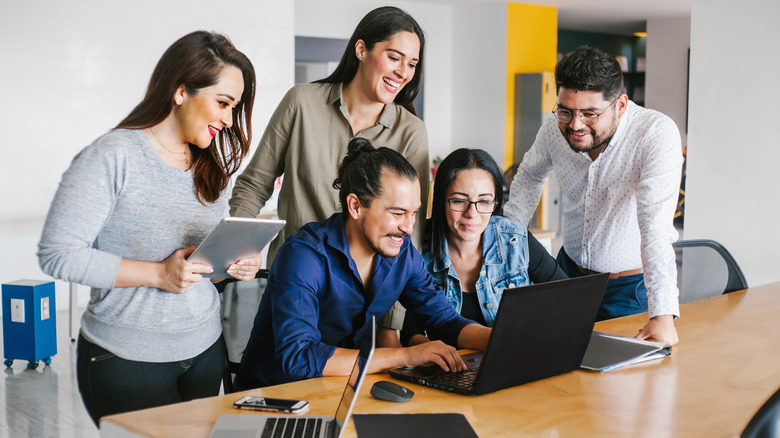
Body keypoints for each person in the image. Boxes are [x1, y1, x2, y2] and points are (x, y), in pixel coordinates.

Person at [37, 31, 260, 425]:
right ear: (180, 92)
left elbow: (202, 267)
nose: (228, 120)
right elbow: (59, 255)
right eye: (222, 103)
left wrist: (236, 263)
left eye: (234, 107)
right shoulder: (112, 156)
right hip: (125, 359)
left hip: (205, 350)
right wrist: (158, 274)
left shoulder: (210, 167)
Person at [228, 6, 430, 344]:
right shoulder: (302, 102)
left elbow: (409, 232)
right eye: (395, 57)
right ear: (361, 49)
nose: (403, 72)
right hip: (296, 285)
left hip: (366, 301)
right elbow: (254, 184)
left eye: (412, 64)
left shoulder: (411, 132)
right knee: (287, 381)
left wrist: (392, 324)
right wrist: (239, 246)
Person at [234, 138, 491, 390]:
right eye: (398, 213)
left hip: (342, 390)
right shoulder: (303, 255)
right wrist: (407, 356)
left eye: (414, 213)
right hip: (271, 397)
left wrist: (503, 340)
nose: (408, 227)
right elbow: (299, 358)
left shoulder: (402, 255)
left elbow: (444, 320)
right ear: (356, 206)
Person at [503, 46, 683, 345]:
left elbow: (655, 226)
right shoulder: (554, 128)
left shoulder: (654, 134)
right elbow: (530, 176)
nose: (575, 124)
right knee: (551, 367)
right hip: (567, 275)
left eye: (589, 114)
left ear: (621, 105)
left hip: (628, 288)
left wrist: (662, 315)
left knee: (617, 387)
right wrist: (505, 244)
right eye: (566, 111)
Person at [401, 148, 567, 345]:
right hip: (447, 368)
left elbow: (567, 297)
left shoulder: (514, 239)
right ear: (441, 200)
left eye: (485, 201)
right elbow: (410, 333)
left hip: (511, 359)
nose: (472, 213)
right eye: (459, 200)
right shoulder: (416, 248)